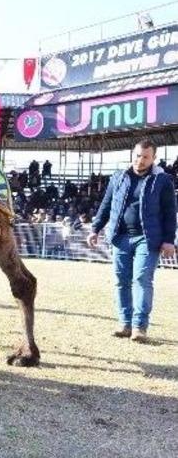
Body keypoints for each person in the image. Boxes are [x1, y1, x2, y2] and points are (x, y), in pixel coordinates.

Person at [87, 139, 177, 342]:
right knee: (121, 282)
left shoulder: (163, 181)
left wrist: (169, 240)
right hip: (120, 238)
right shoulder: (118, 177)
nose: (140, 160)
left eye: (146, 157)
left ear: (154, 158)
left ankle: (139, 326)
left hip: (148, 238)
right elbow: (106, 204)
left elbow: (170, 213)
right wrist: (95, 229)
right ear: (132, 155)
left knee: (142, 280)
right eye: (138, 156)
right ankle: (125, 324)